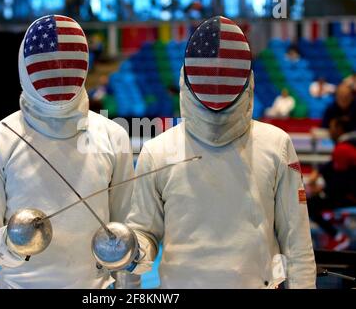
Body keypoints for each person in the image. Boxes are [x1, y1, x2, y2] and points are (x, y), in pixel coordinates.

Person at [124, 16, 316, 288]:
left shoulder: (276, 144)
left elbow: (296, 241)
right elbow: (144, 232)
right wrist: (133, 250)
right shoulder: (157, 152)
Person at [0, 15, 134, 289]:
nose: (58, 69)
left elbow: (126, 237)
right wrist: (10, 242)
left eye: (68, 63)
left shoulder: (112, 137)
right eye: (48, 63)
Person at [307, 116, 356, 250]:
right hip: (348, 194)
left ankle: (339, 237)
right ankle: (338, 223)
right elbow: (330, 166)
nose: (329, 131)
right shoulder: (347, 146)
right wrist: (317, 172)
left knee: (308, 205)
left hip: (349, 197)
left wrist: (321, 190)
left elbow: (339, 184)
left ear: (339, 129)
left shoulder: (342, 149)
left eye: (331, 128)